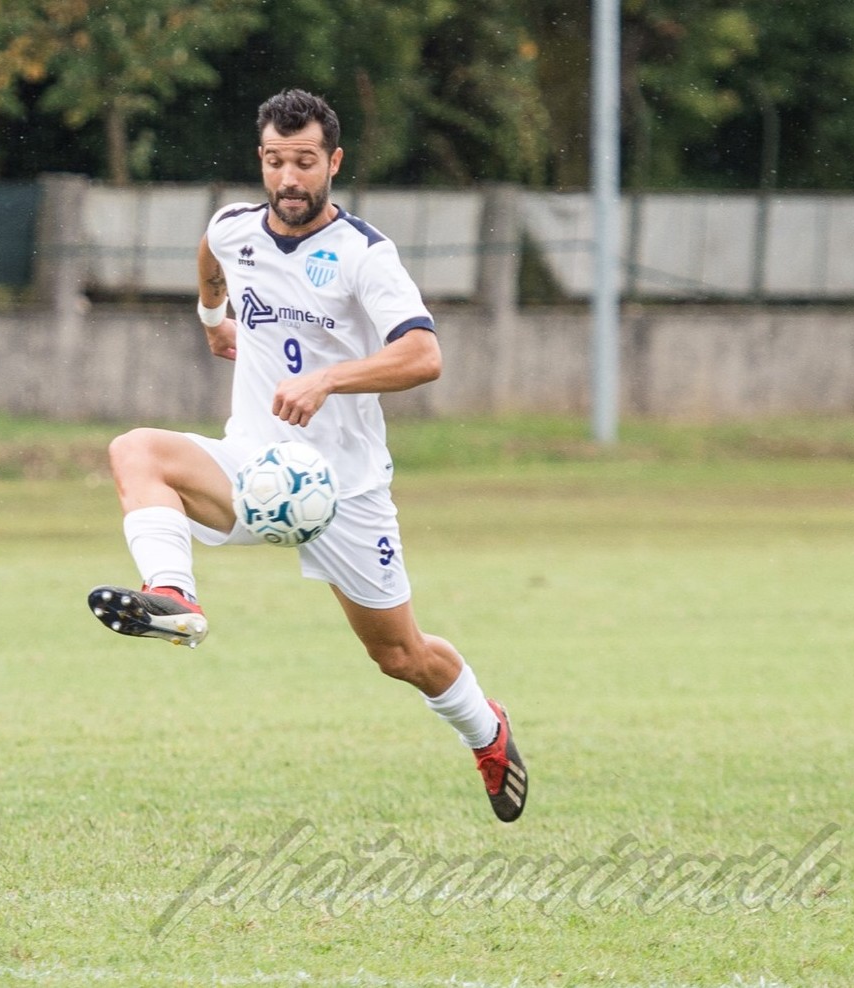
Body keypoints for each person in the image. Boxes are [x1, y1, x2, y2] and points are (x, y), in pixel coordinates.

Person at [87, 89, 527, 823]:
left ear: (333, 163)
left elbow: (423, 355)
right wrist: (211, 319)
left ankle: (486, 732)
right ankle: (175, 597)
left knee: (400, 656)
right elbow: (209, 256)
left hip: (346, 493)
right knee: (135, 451)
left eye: (303, 163)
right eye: (273, 162)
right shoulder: (233, 229)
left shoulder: (362, 255)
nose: (288, 180)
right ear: (259, 161)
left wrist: (328, 377)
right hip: (253, 469)